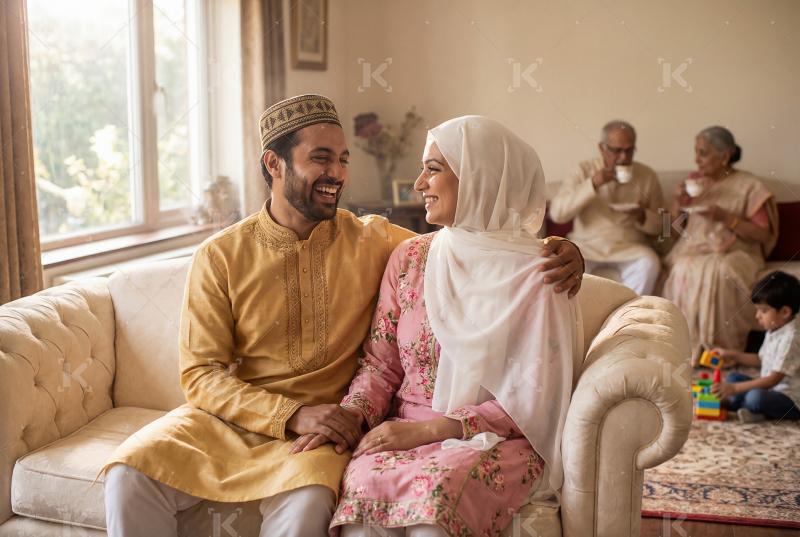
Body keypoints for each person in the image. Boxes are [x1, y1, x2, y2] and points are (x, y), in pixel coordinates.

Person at [101, 96, 586, 537]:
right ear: (274, 163)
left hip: (323, 432)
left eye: (344, 159)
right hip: (226, 423)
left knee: (309, 508)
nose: (338, 173)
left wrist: (561, 250)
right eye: (321, 158)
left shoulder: (375, 240)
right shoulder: (219, 256)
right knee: (128, 475)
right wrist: (289, 415)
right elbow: (201, 374)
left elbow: (478, 244)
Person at [292, 116, 582, 537]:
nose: (418, 184)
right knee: (364, 507)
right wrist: (351, 416)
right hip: (402, 431)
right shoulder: (410, 258)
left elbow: (535, 392)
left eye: (433, 169)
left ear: (479, 176)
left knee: (436, 504)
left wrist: (432, 430)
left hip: (491, 439)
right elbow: (380, 365)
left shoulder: (543, 271)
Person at [662, 126, 779, 361]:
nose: (696, 159)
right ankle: (683, 348)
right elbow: (669, 233)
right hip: (694, 249)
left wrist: (727, 218)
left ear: (725, 156)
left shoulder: (749, 185)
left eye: (703, 153)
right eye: (696, 152)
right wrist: (676, 203)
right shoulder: (693, 183)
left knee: (721, 271)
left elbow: (763, 235)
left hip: (738, 251)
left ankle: (722, 352)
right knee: (683, 267)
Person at [549, 120, 664, 295]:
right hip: (586, 246)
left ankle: (629, 309)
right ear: (602, 148)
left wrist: (642, 216)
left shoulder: (647, 176)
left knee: (649, 262)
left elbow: (662, 226)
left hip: (629, 247)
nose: (623, 157)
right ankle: (585, 311)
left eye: (629, 150)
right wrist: (593, 184)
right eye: (617, 150)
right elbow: (558, 214)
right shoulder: (584, 170)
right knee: (563, 263)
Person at [711, 271, 800, 422]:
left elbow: (773, 380)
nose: (757, 316)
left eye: (763, 311)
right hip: (770, 390)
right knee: (733, 377)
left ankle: (743, 405)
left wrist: (734, 389)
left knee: (755, 397)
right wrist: (731, 354)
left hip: (790, 398)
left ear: (785, 312)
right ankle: (749, 409)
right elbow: (761, 359)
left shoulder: (791, 338)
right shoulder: (775, 328)